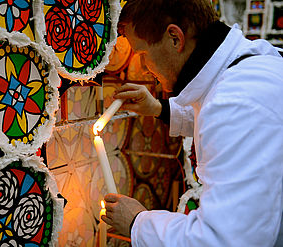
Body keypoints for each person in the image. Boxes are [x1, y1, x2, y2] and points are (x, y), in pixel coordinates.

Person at [101, 0, 283, 246]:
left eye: (143, 54)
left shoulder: (235, 104)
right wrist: (158, 108)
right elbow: (223, 121)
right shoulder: (248, 67)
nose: (144, 69)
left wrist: (137, 222)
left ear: (175, 38)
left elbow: (222, 240)